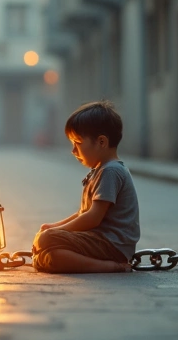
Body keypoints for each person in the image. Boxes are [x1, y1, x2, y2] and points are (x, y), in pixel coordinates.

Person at [32, 100, 140, 273]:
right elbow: (83, 213)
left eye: (78, 143)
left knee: (47, 239)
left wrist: (55, 232)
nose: (73, 151)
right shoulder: (100, 170)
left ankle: (110, 266)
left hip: (111, 244)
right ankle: (51, 259)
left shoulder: (110, 171)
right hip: (97, 240)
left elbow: (93, 218)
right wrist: (53, 226)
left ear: (101, 142)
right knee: (50, 253)